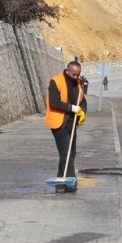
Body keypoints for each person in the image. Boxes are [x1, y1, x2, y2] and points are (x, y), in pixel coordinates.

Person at [45, 60, 87, 189]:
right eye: (73, 74)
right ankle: (70, 184)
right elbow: (54, 103)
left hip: (71, 122)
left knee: (71, 152)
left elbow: (83, 100)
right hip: (59, 122)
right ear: (67, 71)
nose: (76, 77)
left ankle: (60, 183)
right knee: (65, 152)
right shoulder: (55, 81)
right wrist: (71, 108)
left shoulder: (78, 83)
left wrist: (82, 112)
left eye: (78, 75)